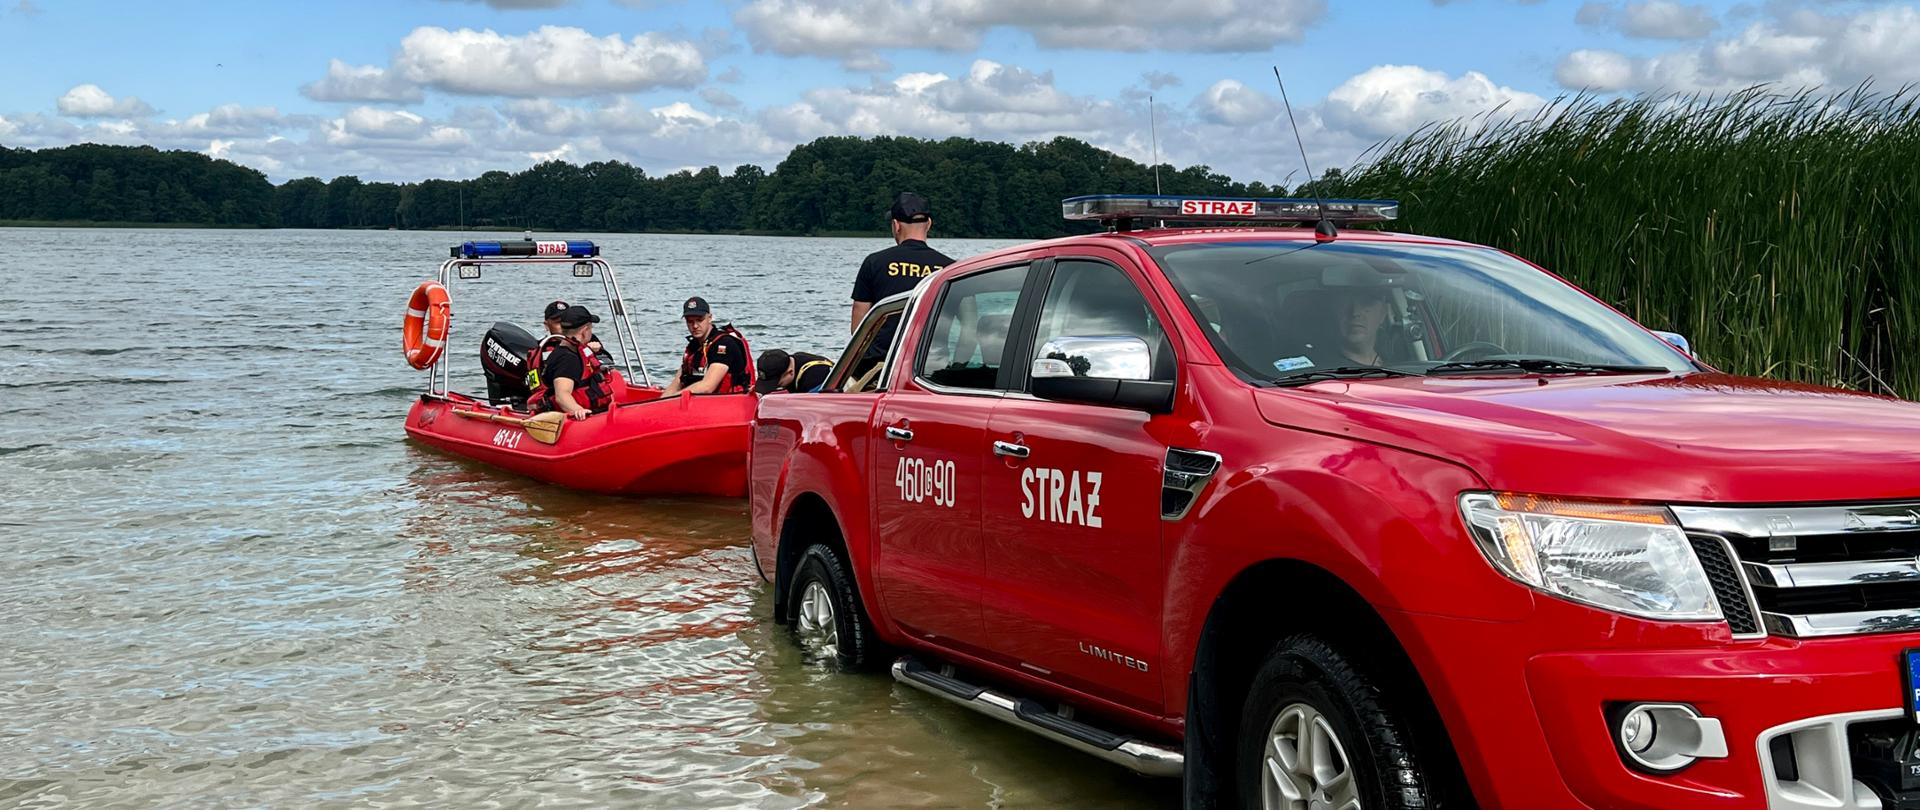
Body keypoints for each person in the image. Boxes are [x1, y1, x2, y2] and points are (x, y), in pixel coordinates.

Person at [851, 192, 953, 352]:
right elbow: (969, 322)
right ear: (929, 224)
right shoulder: (948, 269)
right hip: (929, 364)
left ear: (896, 225)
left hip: (880, 364)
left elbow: (858, 317)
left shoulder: (875, 262)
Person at [527, 305, 614, 420]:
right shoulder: (567, 359)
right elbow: (562, 395)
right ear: (584, 331)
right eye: (590, 328)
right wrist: (577, 410)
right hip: (572, 419)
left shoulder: (572, 351)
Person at [663, 296, 754, 395]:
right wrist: (662, 402)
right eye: (690, 321)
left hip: (730, 403)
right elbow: (676, 384)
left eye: (699, 320)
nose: (695, 326)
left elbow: (708, 386)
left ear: (709, 318)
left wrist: (675, 397)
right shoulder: (693, 346)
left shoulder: (724, 344)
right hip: (700, 404)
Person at [1328, 286, 1392, 367]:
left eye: (1365, 303)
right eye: (1345, 303)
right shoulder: (1320, 369)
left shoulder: (1400, 363)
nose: (1355, 312)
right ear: (1335, 312)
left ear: (1383, 313)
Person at [543, 299, 612, 364]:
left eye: (566, 321)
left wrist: (596, 352)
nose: (563, 326)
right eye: (558, 322)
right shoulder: (542, 347)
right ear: (547, 325)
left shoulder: (589, 339)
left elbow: (608, 362)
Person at [754, 349, 834, 395]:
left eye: (778, 385)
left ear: (790, 372)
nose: (775, 388)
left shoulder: (817, 375)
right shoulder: (789, 361)